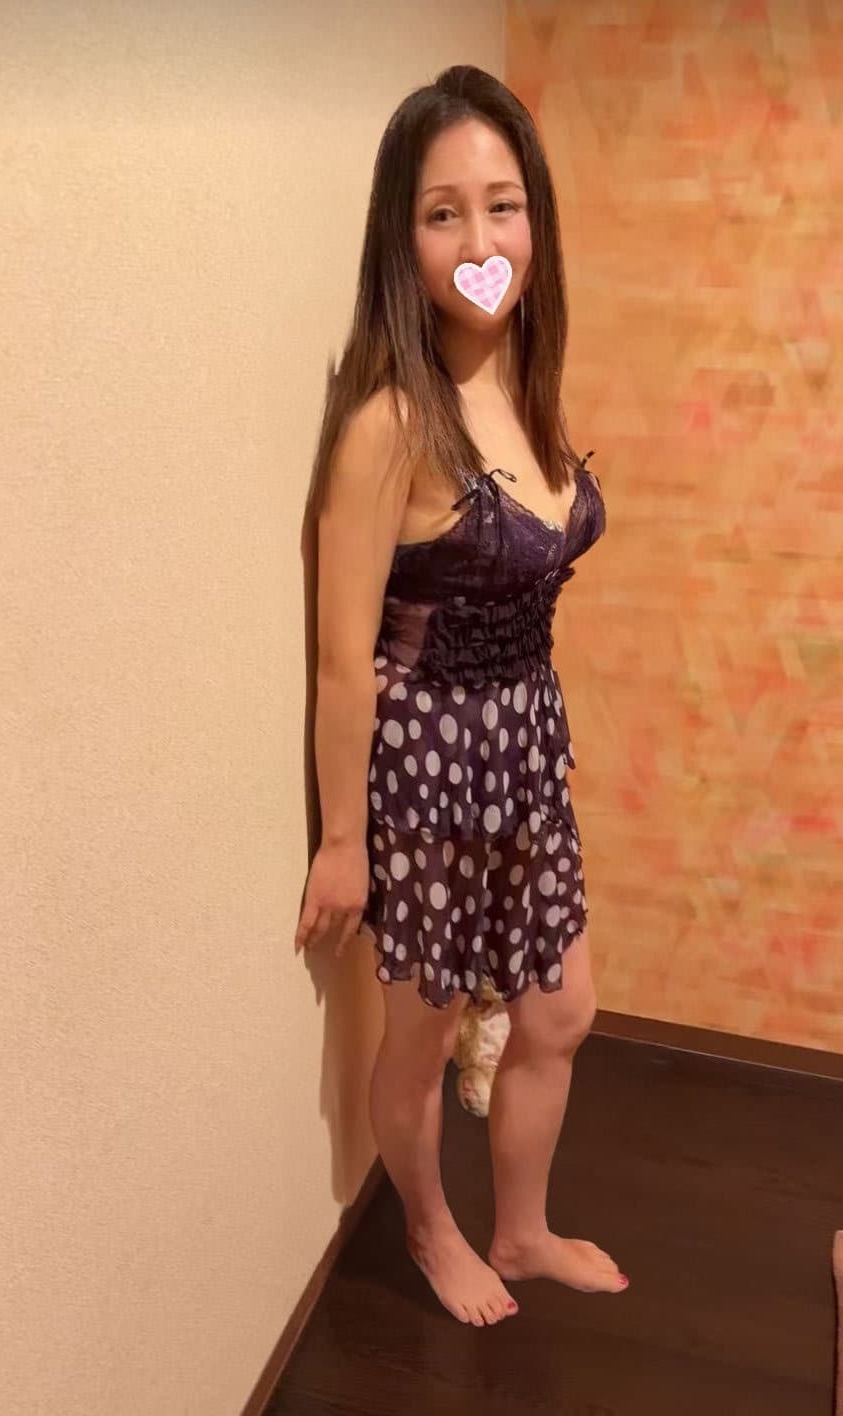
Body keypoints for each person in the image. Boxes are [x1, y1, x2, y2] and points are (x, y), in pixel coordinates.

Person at [295, 64, 629, 1327]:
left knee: (562, 1008)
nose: (481, 239)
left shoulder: (524, 382)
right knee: (423, 1033)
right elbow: (343, 658)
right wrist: (341, 840)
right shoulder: (390, 422)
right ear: (405, 237)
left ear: (535, 218)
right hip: (427, 759)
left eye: (503, 205)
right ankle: (432, 1232)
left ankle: (523, 1229)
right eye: (444, 213)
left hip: (526, 742)